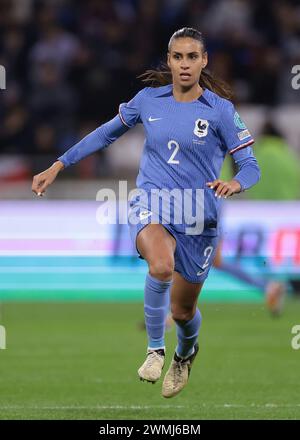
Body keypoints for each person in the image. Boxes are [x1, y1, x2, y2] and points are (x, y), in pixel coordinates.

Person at [32, 27, 260, 398]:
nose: (184, 65)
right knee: (160, 266)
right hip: (153, 202)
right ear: (168, 61)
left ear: (204, 61)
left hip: (199, 216)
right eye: (177, 57)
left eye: (192, 57)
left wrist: (236, 184)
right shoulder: (148, 100)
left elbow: (250, 164)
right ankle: (155, 349)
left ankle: (185, 353)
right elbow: (104, 134)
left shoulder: (221, 111)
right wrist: (59, 164)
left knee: (184, 311)